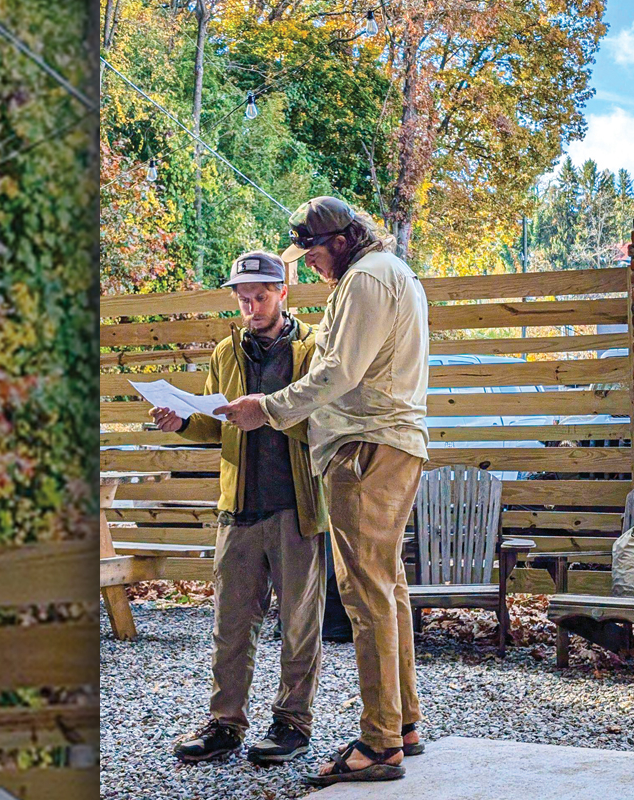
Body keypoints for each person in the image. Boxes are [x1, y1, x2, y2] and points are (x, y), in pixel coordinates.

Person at [221, 197, 429, 785]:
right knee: (388, 588)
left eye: (311, 252)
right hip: (394, 440)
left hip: (364, 448)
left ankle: (379, 743)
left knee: (364, 595)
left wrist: (268, 407)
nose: (309, 264)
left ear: (338, 241)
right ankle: (404, 722)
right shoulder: (397, 273)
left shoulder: (364, 280)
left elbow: (339, 372)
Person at [149, 251, 329, 766]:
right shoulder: (226, 352)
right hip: (239, 509)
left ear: (283, 292)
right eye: (243, 298)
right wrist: (182, 423)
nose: (251, 306)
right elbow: (216, 422)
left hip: (297, 507)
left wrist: (266, 415)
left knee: (299, 624)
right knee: (230, 625)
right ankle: (225, 725)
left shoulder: (314, 348)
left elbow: (322, 419)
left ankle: (292, 723)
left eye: (261, 296)